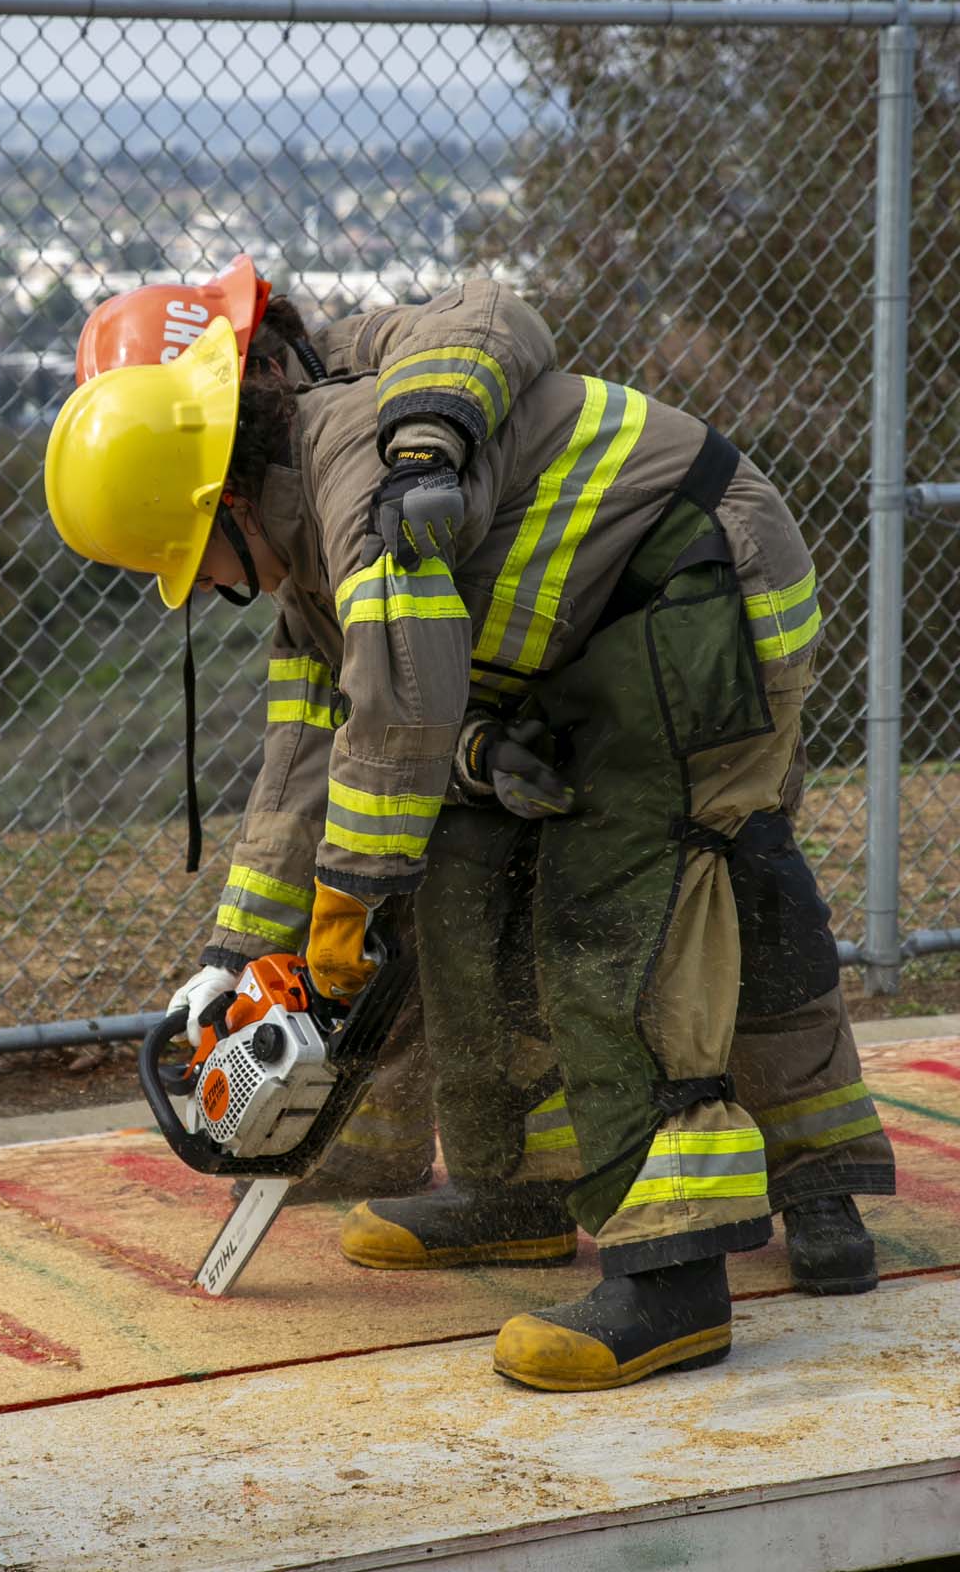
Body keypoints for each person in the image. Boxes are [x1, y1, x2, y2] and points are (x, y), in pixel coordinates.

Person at [46, 261, 895, 1392]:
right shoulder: (306, 555)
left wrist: (350, 904)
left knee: (611, 912)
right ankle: (516, 1194)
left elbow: (399, 710)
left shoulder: (361, 493)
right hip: (589, 640)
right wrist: (234, 958)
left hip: (699, 593)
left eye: (195, 568)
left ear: (226, 506)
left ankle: (675, 1278)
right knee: (469, 877)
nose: (202, 592)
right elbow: (305, 758)